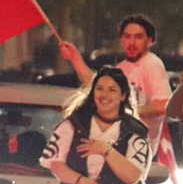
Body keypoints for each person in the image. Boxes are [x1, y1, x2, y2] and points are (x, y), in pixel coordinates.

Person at [59, 14, 172, 156]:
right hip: (118, 148)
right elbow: (94, 84)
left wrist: (128, 112)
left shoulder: (152, 64)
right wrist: (75, 58)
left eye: (138, 37)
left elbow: (164, 105)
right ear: (121, 40)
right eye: (127, 36)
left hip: (139, 153)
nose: (131, 42)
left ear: (149, 41)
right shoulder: (122, 67)